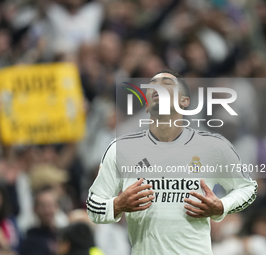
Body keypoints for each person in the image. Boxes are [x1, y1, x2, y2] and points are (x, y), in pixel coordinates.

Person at [86, 70, 257, 255]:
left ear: (184, 101)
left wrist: (222, 206)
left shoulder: (213, 147)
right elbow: (93, 205)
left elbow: (249, 188)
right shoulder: (121, 149)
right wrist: (117, 204)